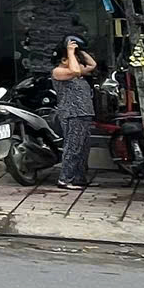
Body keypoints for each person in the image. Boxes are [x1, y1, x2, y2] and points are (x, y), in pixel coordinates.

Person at [50, 34, 99, 190]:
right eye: (72, 59)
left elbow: (92, 65)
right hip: (72, 113)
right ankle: (65, 179)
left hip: (84, 113)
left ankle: (79, 178)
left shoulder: (75, 71)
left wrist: (80, 49)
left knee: (83, 148)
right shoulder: (59, 72)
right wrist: (70, 52)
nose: (76, 61)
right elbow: (76, 70)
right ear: (64, 60)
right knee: (73, 147)